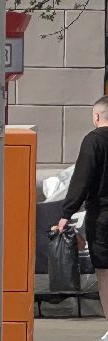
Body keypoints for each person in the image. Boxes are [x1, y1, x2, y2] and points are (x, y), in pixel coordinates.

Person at [56, 95, 108, 318]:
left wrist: (66, 213)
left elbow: (82, 178)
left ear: (96, 116)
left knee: (105, 273)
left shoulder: (93, 140)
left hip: (103, 216)